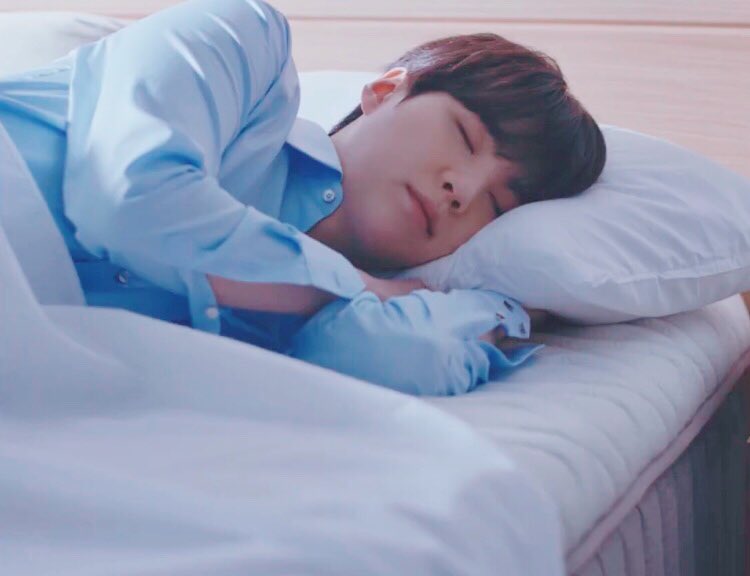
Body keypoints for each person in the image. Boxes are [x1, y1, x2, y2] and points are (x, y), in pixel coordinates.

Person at [0, 0, 605, 395]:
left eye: (496, 207)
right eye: (464, 135)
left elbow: (399, 355)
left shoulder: (342, 312)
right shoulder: (242, 44)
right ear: (386, 90)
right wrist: (354, 286)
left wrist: (502, 309)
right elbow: (128, 199)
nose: (462, 192)